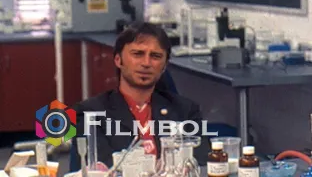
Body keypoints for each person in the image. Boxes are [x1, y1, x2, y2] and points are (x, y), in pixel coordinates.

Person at [71, 22, 209, 170]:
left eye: (155, 56)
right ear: (118, 60)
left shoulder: (185, 111)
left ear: (164, 66)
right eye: (137, 54)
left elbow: (201, 163)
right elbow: (101, 168)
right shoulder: (90, 113)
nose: (146, 63)